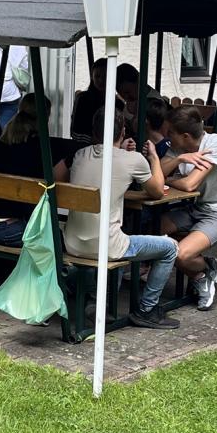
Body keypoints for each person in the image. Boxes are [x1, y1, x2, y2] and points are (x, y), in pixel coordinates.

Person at [64, 104, 182, 329]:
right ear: (123, 132)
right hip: (106, 246)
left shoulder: (79, 155)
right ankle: (147, 309)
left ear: (94, 131)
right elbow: (157, 191)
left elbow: (59, 176)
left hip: (72, 242)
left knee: (117, 236)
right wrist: (154, 158)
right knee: (170, 248)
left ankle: (95, 301)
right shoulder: (134, 159)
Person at [0, 95, 69, 315]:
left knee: (33, 243)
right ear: (45, 117)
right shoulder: (43, 148)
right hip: (12, 228)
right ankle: (40, 301)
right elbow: (58, 181)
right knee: (47, 242)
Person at [161, 104, 217, 311]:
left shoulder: (215, 144)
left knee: (180, 254)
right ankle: (200, 262)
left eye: (170, 133)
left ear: (186, 136)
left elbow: (190, 184)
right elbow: (156, 173)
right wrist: (178, 159)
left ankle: (203, 273)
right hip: (198, 209)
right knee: (151, 233)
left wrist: (169, 179)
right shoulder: (179, 148)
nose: (166, 136)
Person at [69, 58, 108, 142]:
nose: (101, 80)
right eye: (97, 76)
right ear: (92, 76)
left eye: (105, 76)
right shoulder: (82, 99)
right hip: (84, 147)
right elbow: (75, 131)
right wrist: (94, 141)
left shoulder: (117, 102)